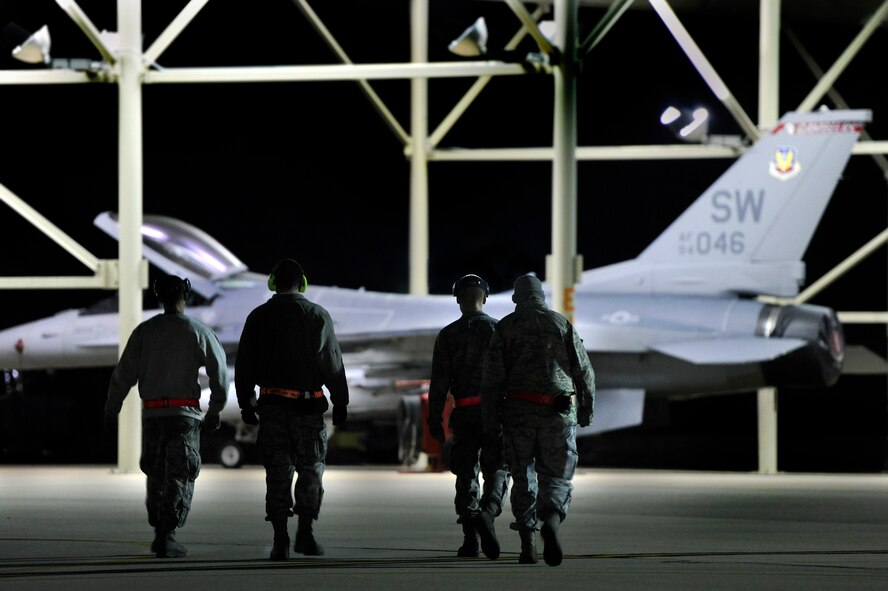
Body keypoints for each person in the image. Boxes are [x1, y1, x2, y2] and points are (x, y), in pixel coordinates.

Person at [104, 274, 229, 558]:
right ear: (185, 294)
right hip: (183, 416)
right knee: (179, 475)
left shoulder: (144, 332)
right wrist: (216, 409)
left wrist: (112, 409)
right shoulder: (199, 332)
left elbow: (122, 376)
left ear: (159, 296)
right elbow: (220, 373)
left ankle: (160, 530)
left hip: (152, 416)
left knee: (156, 474)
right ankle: (167, 535)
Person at [235, 258, 349, 561]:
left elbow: (244, 366)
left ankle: (280, 539)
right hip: (308, 410)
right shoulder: (317, 315)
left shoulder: (258, 317)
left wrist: (247, 404)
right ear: (303, 283)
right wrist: (341, 402)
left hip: (272, 408)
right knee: (311, 471)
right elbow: (332, 363)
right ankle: (306, 534)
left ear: (273, 282)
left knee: (277, 474)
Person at [481, 274, 594, 567]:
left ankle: (527, 546)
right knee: (556, 477)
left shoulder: (505, 327)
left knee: (523, 477)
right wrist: (586, 410)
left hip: (518, 416)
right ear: (541, 296)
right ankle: (553, 520)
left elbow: (492, 380)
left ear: (516, 298)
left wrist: (491, 419)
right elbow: (584, 370)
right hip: (557, 416)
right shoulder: (560, 323)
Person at [427, 274, 510, 560]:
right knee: (497, 469)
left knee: (466, 475)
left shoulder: (448, 335)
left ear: (458, 299)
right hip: (496, 414)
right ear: (484, 298)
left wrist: (433, 420)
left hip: (464, 412)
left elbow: (438, 383)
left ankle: (470, 538)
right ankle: (488, 513)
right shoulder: (499, 330)